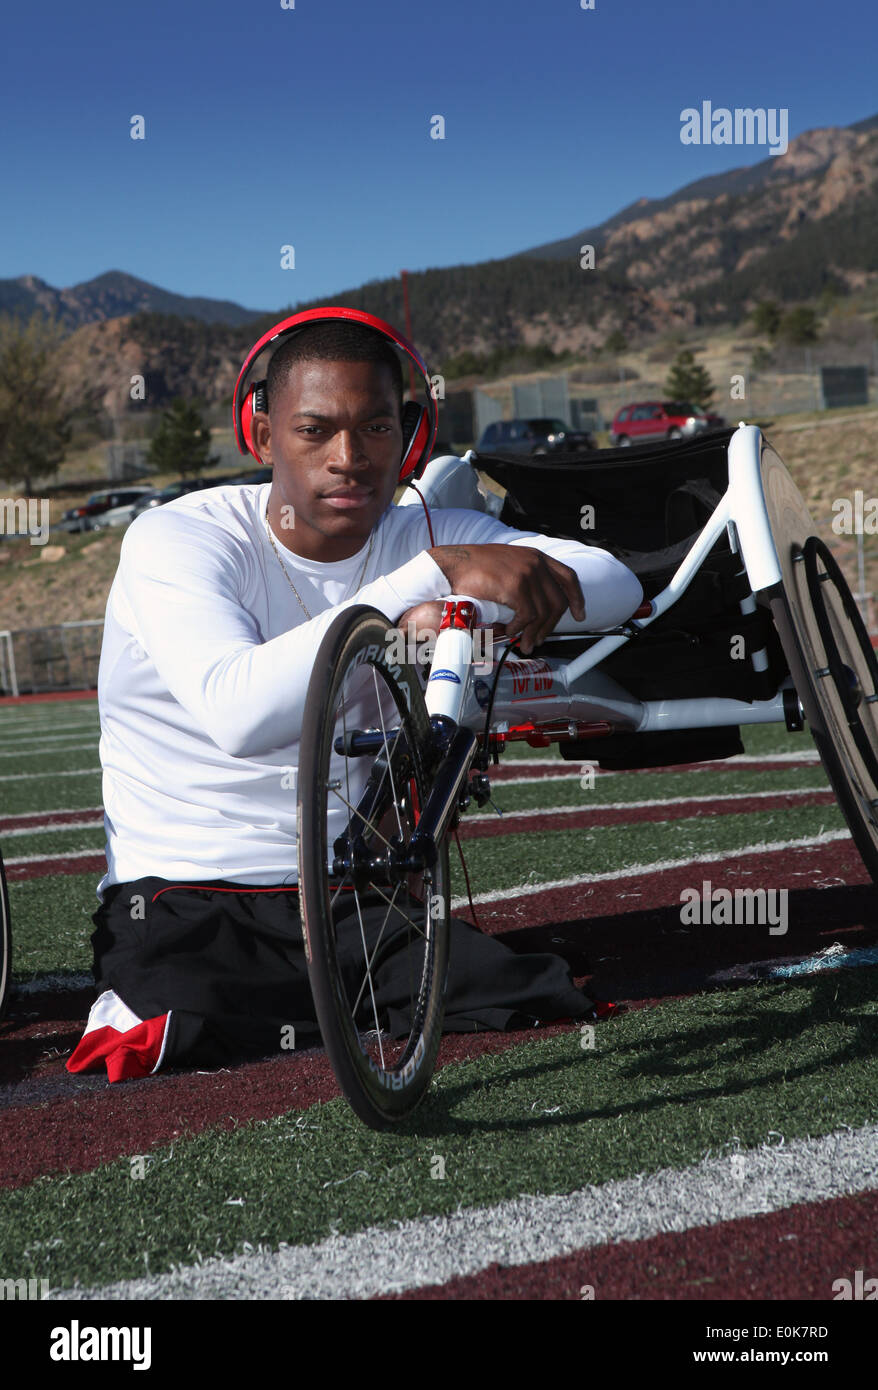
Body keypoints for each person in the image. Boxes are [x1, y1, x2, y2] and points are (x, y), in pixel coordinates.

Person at [67, 310, 642, 1083]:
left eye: (375, 427)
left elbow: (614, 581)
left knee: (528, 993)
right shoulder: (181, 537)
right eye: (315, 431)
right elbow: (242, 715)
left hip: (344, 894)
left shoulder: (428, 529)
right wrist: (435, 579)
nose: (349, 458)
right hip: (185, 896)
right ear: (263, 437)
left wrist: (475, 600)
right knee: (176, 1026)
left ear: (408, 433)